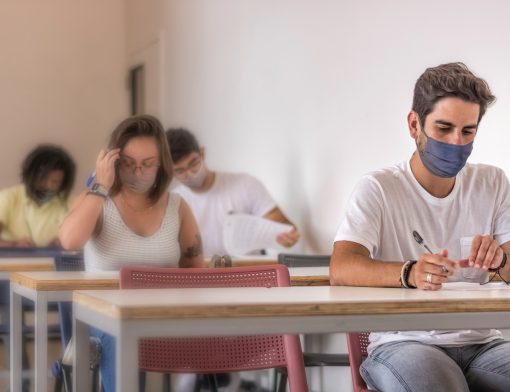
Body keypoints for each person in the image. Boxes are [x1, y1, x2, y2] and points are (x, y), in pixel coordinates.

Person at [330, 62, 510, 392]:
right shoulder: (378, 188)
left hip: (485, 344)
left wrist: (499, 261)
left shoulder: (493, 182)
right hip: (405, 343)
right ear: (415, 124)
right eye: (444, 128)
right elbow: (342, 267)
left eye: (468, 131)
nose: (457, 143)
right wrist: (409, 273)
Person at [59, 114, 204, 392]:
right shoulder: (98, 200)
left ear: (162, 164)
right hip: (105, 319)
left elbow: (194, 267)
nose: (138, 172)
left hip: (162, 318)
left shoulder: (177, 206)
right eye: (128, 164)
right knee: (119, 333)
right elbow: (69, 240)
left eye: (148, 164)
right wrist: (100, 185)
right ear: (112, 162)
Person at [166, 127, 300, 257]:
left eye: (193, 163)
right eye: (180, 171)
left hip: (249, 273)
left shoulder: (245, 185)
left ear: (202, 153)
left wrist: (288, 237)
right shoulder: (172, 204)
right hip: (201, 276)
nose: (190, 174)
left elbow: (283, 227)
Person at [0, 144, 76, 247]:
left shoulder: (69, 202)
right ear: (30, 176)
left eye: (55, 182)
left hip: (53, 260)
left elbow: (80, 240)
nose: (48, 186)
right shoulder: (9, 197)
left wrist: (63, 242)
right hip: (11, 261)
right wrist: (14, 245)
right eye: (43, 180)